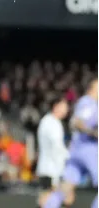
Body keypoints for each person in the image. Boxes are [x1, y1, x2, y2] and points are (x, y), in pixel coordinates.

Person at [43, 79, 98, 208]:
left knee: (65, 186)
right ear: (92, 88)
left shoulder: (90, 103)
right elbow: (78, 122)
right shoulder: (89, 102)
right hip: (88, 149)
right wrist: (94, 133)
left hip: (76, 150)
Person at [36, 98, 70, 207]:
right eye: (64, 107)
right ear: (56, 106)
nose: (66, 110)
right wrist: (69, 157)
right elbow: (57, 147)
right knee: (48, 199)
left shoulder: (47, 121)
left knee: (48, 198)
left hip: (47, 167)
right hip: (52, 169)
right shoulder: (52, 123)